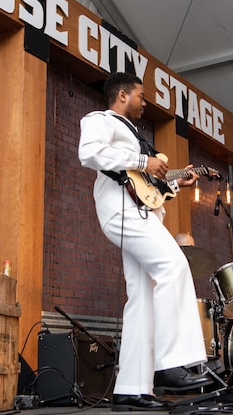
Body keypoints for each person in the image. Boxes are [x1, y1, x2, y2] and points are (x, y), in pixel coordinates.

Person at [79, 72, 210, 411]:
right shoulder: (100, 120)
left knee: (141, 298)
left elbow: (151, 189)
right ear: (122, 95)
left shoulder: (139, 138)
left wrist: (178, 179)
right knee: (174, 265)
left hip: (140, 213)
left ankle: (132, 388)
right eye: (141, 95)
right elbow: (89, 153)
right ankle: (171, 362)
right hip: (121, 211)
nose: (144, 102)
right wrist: (143, 161)